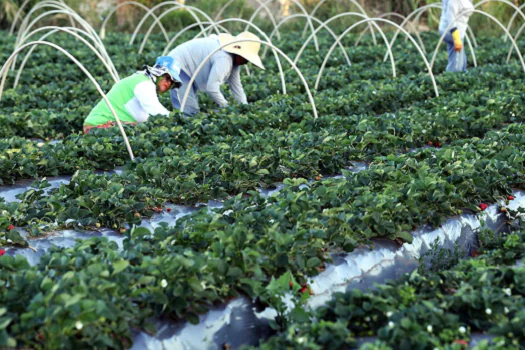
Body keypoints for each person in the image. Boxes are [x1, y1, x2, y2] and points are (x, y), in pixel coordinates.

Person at [167, 31, 264, 116]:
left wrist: (244, 107)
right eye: (246, 58)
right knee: (188, 111)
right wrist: (226, 107)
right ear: (239, 54)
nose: (247, 62)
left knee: (191, 109)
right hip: (177, 65)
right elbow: (212, 88)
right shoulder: (224, 59)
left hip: (188, 67)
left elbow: (236, 86)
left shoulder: (234, 60)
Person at [83, 56, 182, 134]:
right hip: (98, 126)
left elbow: (142, 116)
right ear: (159, 73)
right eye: (167, 78)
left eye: (172, 81)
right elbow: (155, 110)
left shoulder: (143, 80)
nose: (169, 83)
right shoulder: (144, 83)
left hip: (103, 125)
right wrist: (177, 120)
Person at [439, 0, 474, 72]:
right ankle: (452, 79)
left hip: (450, 30)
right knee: (457, 64)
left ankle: (459, 75)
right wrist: (455, 34)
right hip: (452, 31)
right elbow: (450, 16)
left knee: (460, 60)